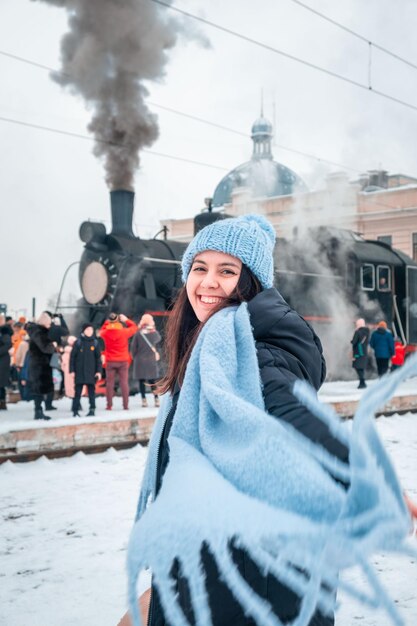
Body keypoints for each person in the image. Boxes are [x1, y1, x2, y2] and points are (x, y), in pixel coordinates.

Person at [119, 214, 353, 626]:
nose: (208, 282)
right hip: (222, 559)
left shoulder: (244, 345)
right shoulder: (210, 341)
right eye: (199, 268)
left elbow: (291, 410)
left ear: (251, 282)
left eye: (227, 271)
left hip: (248, 573)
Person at [100, 313, 136, 410]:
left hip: (110, 361)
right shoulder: (124, 332)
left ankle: (109, 405)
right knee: (124, 383)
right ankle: (125, 405)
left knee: (109, 384)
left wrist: (107, 322)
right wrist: (126, 319)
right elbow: (134, 327)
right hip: (123, 360)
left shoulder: (105, 332)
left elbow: (101, 331)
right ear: (118, 321)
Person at [26, 312, 57, 420]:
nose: (50, 325)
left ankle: (39, 411)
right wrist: (53, 346)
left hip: (40, 364)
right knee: (38, 389)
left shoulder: (38, 331)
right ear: (44, 323)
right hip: (39, 365)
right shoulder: (39, 332)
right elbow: (45, 347)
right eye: (49, 323)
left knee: (40, 389)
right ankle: (38, 412)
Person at [69, 324, 102, 417]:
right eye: (87, 330)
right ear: (83, 331)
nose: (90, 331)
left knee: (91, 392)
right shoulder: (78, 342)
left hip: (91, 372)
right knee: (78, 392)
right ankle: (75, 410)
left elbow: (98, 359)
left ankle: (92, 409)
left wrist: (99, 371)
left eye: (91, 329)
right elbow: (72, 357)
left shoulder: (95, 343)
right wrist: (71, 370)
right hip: (79, 371)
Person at [130, 314, 161, 408]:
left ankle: (144, 401)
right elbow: (159, 339)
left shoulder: (138, 334)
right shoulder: (154, 333)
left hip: (140, 361)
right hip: (151, 360)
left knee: (142, 381)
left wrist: (134, 356)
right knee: (152, 381)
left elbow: (133, 349)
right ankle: (156, 399)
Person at [351, 318, 370, 389]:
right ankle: (362, 382)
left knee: (357, 367)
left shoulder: (357, 332)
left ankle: (362, 382)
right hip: (364, 351)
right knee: (361, 367)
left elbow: (354, 342)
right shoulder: (367, 331)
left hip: (358, 352)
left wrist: (352, 341)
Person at [0, 324, 12, 410]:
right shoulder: (5, 336)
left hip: (2, 362)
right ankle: (2, 402)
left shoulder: (5, 336)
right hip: (3, 361)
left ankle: (2, 402)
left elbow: (6, 346)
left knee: (1, 384)